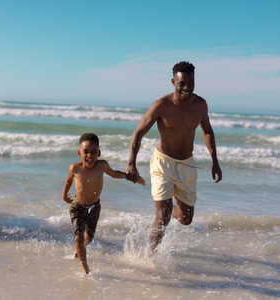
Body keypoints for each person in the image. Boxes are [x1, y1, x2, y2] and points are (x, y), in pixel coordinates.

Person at [126, 61, 222, 252]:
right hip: (163, 163)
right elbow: (138, 133)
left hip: (187, 164)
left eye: (190, 83)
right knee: (163, 215)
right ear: (173, 82)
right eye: (181, 84)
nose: (186, 88)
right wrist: (132, 163)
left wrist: (215, 160)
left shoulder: (200, 105)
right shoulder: (161, 105)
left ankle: (171, 210)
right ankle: (148, 258)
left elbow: (208, 131)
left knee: (186, 219)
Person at [63, 133, 145, 274]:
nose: (90, 155)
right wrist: (65, 195)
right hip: (78, 206)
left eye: (94, 152)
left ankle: (79, 250)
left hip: (95, 206)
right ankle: (85, 270)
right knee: (79, 237)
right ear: (79, 153)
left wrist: (129, 177)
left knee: (89, 238)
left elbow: (114, 174)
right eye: (86, 152)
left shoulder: (102, 165)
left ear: (99, 153)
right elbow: (68, 180)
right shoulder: (74, 168)